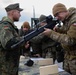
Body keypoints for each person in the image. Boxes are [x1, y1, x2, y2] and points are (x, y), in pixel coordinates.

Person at [43, 3, 76, 75]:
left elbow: (71, 40)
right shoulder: (67, 20)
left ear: (63, 11)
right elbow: (67, 31)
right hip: (69, 58)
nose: (57, 18)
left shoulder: (74, 20)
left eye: (58, 15)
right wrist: (59, 30)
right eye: (55, 16)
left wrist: (51, 34)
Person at [0, 3, 28, 75]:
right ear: (12, 13)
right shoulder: (5, 26)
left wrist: (22, 45)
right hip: (5, 69)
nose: (20, 15)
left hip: (10, 68)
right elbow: (8, 43)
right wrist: (23, 40)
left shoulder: (11, 26)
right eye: (18, 12)